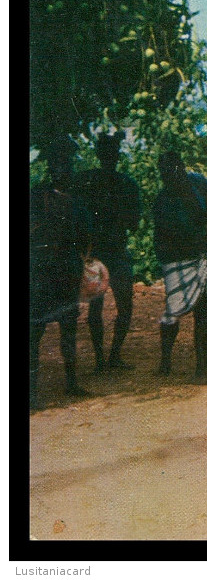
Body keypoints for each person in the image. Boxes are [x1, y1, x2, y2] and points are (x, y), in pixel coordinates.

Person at [30, 136, 93, 408]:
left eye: (65, 163)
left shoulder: (78, 199)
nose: (62, 169)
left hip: (67, 266)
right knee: (34, 330)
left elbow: (86, 233)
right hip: (41, 268)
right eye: (57, 163)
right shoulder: (36, 195)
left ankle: (71, 382)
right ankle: (31, 392)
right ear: (50, 166)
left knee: (68, 327)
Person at [152, 151, 207, 379]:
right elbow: (175, 231)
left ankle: (204, 363)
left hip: (198, 253)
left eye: (173, 170)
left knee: (206, 308)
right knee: (173, 310)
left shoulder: (195, 183)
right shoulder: (164, 200)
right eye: (165, 173)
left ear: (182, 167)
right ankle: (165, 361)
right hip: (176, 257)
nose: (170, 176)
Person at [78, 131, 141, 371]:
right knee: (122, 306)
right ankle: (109, 357)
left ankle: (103, 359)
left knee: (100, 307)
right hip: (112, 251)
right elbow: (134, 224)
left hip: (100, 252)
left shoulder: (88, 182)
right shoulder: (125, 184)